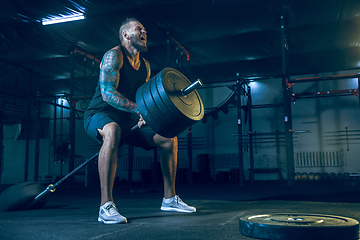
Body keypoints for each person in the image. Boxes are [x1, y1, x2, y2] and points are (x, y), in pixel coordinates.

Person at [84, 18, 196, 224]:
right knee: (112, 130)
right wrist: (138, 109)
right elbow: (108, 94)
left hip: (127, 120)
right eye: (139, 29)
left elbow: (142, 98)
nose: (144, 32)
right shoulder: (113, 56)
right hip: (99, 114)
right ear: (126, 35)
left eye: (145, 30)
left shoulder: (145, 66)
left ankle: (169, 199)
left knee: (168, 137)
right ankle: (105, 206)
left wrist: (147, 114)